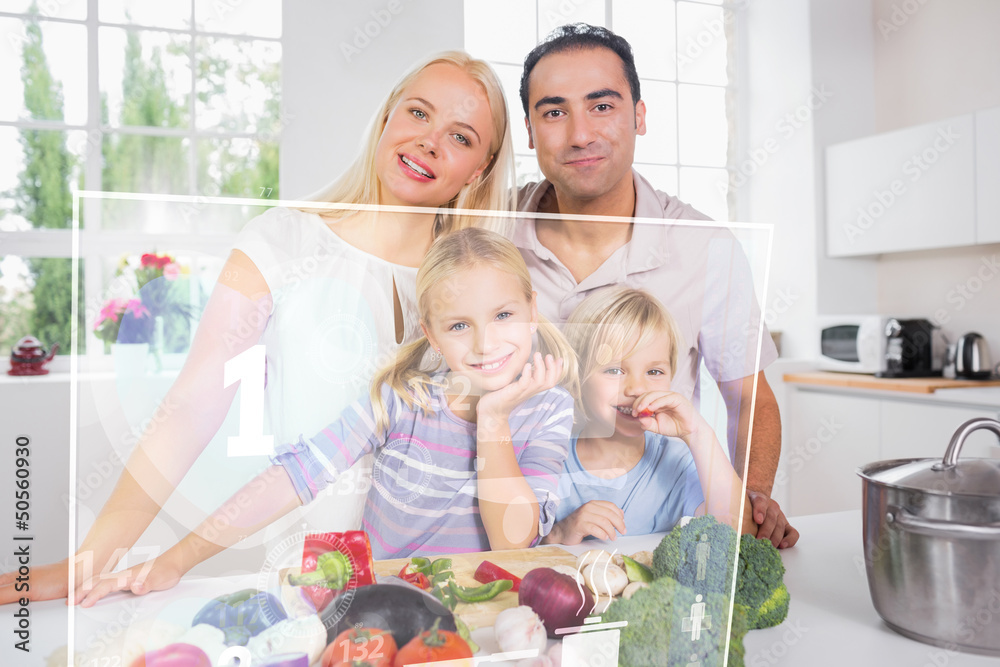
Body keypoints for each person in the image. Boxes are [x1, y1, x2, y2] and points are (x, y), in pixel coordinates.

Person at [0, 51, 517, 605]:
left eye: (461, 138)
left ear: (480, 171)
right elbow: (193, 408)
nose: (430, 142)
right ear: (388, 117)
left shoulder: (485, 284)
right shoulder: (282, 242)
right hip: (300, 583)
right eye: (418, 113)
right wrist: (88, 562)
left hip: (445, 586)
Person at [74, 228, 578, 604]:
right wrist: (174, 561)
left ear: (533, 308)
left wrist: (493, 421)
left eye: (504, 315)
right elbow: (291, 478)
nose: (486, 342)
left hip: (491, 614)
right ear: (430, 332)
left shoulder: (550, 410)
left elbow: (513, 540)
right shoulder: (402, 401)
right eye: (460, 325)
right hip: (383, 614)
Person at [515, 24, 798, 548]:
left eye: (602, 106)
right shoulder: (489, 231)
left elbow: (750, 399)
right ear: (529, 131)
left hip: (657, 540)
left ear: (639, 117)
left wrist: (747, 500)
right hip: (519, 539)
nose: (579, 134)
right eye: (554, 112)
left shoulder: (704, 246)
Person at [543, 287, 754, 545]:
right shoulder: (546, 458)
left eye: (654, 372)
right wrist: (559, 533)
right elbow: (513, 552)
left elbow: (740, 532)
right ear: (576, 377)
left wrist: (698, 433)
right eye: (615, 370)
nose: (636, 389)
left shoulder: (676, 463)